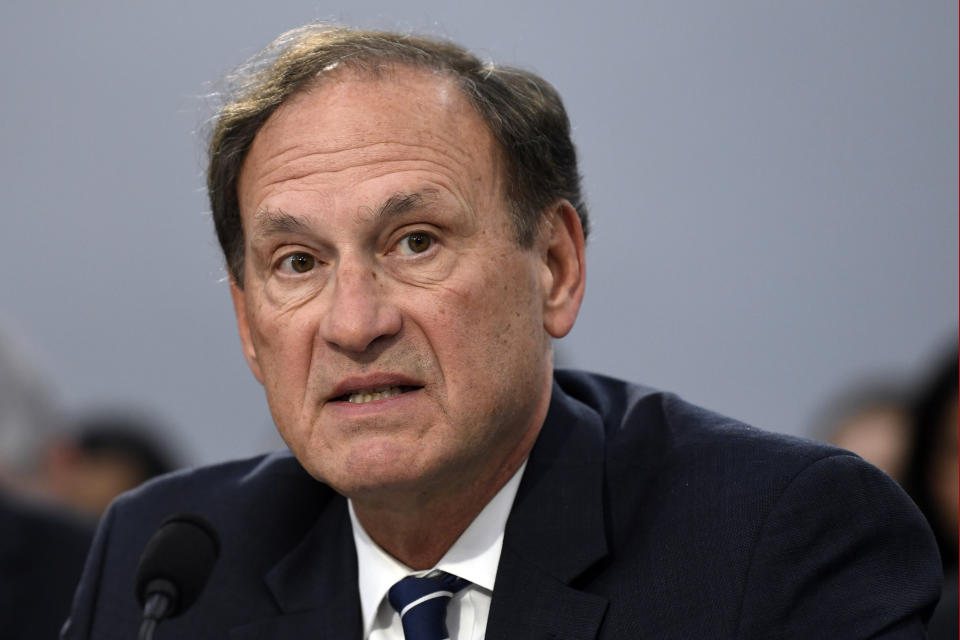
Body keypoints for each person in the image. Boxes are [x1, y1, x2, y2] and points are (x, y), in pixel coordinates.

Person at [62, 25, 941, 639]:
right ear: (249, 328)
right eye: (297, 262)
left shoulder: (774, 541)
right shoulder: (168, 568)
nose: (355, 322)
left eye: (415, 242)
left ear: (555, 267)